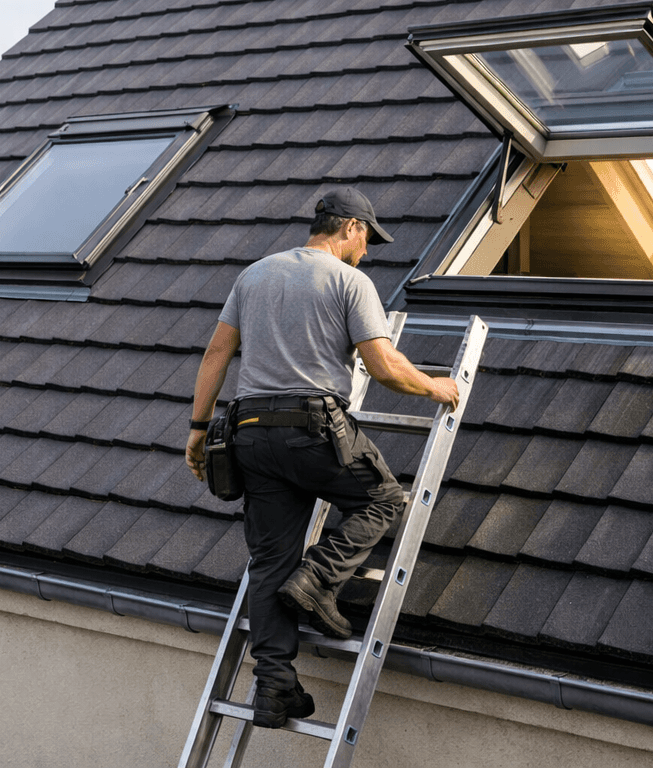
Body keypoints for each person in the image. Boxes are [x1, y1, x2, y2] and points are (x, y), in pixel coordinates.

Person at [184, 186, 460, 730]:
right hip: (311, 429)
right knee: (382, 497)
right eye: (367, 239)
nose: (368, 252)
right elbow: (382, 366)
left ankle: (273, 686)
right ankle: (317, 579)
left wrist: (196, 430)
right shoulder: (349, 281)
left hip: (250, 433)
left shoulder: (254, 275)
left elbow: (218, 353)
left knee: (268, 562)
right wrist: (436, 387)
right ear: (351, 227)